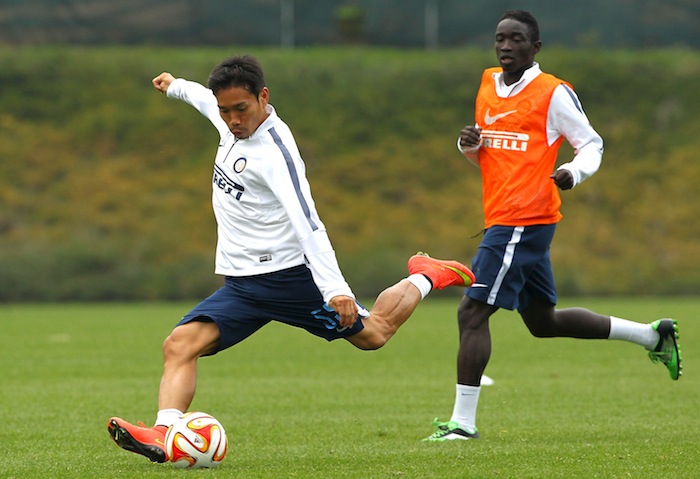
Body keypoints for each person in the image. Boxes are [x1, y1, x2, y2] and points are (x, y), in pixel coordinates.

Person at [106, 55, 476, 463]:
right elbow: (204, 100)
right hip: (243, 285)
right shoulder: (228, 116)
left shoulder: (275, 155)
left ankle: (426, 275)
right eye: (226, 111)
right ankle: (163, 433)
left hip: (289, 280)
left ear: (263, 97)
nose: (233, 120)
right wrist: (175, 85)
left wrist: (335, 289)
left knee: (375, 334)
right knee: (179, 345)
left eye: (241, 109)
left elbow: (308, 222)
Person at [424, 10, 682, 442]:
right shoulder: (487, 85)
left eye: (516, 39)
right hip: (507, 216)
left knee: (472, 311)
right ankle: (652, 336)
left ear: (535, 47)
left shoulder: (553, 93)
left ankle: (462, 425)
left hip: (522, 219)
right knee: (543, 322)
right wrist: (468, 146)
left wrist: (573, 172)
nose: (506, 46)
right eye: (500, 39)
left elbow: (592, 144)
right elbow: (493, 156)